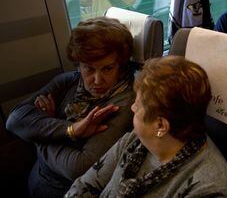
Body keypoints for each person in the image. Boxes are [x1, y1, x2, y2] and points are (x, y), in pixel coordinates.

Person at [65, 56, 227, 197]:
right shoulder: (136, 140)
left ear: (161, 125)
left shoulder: (209, 188)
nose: (132, 108)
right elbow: (84, 185)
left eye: (138, 105)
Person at [6, 17, 138, 197]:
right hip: (36, 178)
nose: (97, 81)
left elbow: (78, 168)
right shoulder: (69, 81)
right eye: (89, 69)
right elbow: (15, 120)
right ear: (79, 65)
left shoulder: (124, 103)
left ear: (121, 66)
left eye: (107, 69)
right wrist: (71, 130)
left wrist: (39, 131)